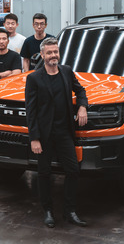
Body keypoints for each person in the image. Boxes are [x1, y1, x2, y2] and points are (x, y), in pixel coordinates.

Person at [25, 37, 88, 228]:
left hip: (64, 133)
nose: (54, 55)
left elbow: (81, 90)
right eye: (50, 52)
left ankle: (69, 211)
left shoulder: (66, 71)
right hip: (44, 136)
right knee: (44, 173)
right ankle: (48, 211)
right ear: (42, 55)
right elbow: (31, 110)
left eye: (56, 52)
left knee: (73, 170)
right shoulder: (34, 78)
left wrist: (82, 107)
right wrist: (34, 138)